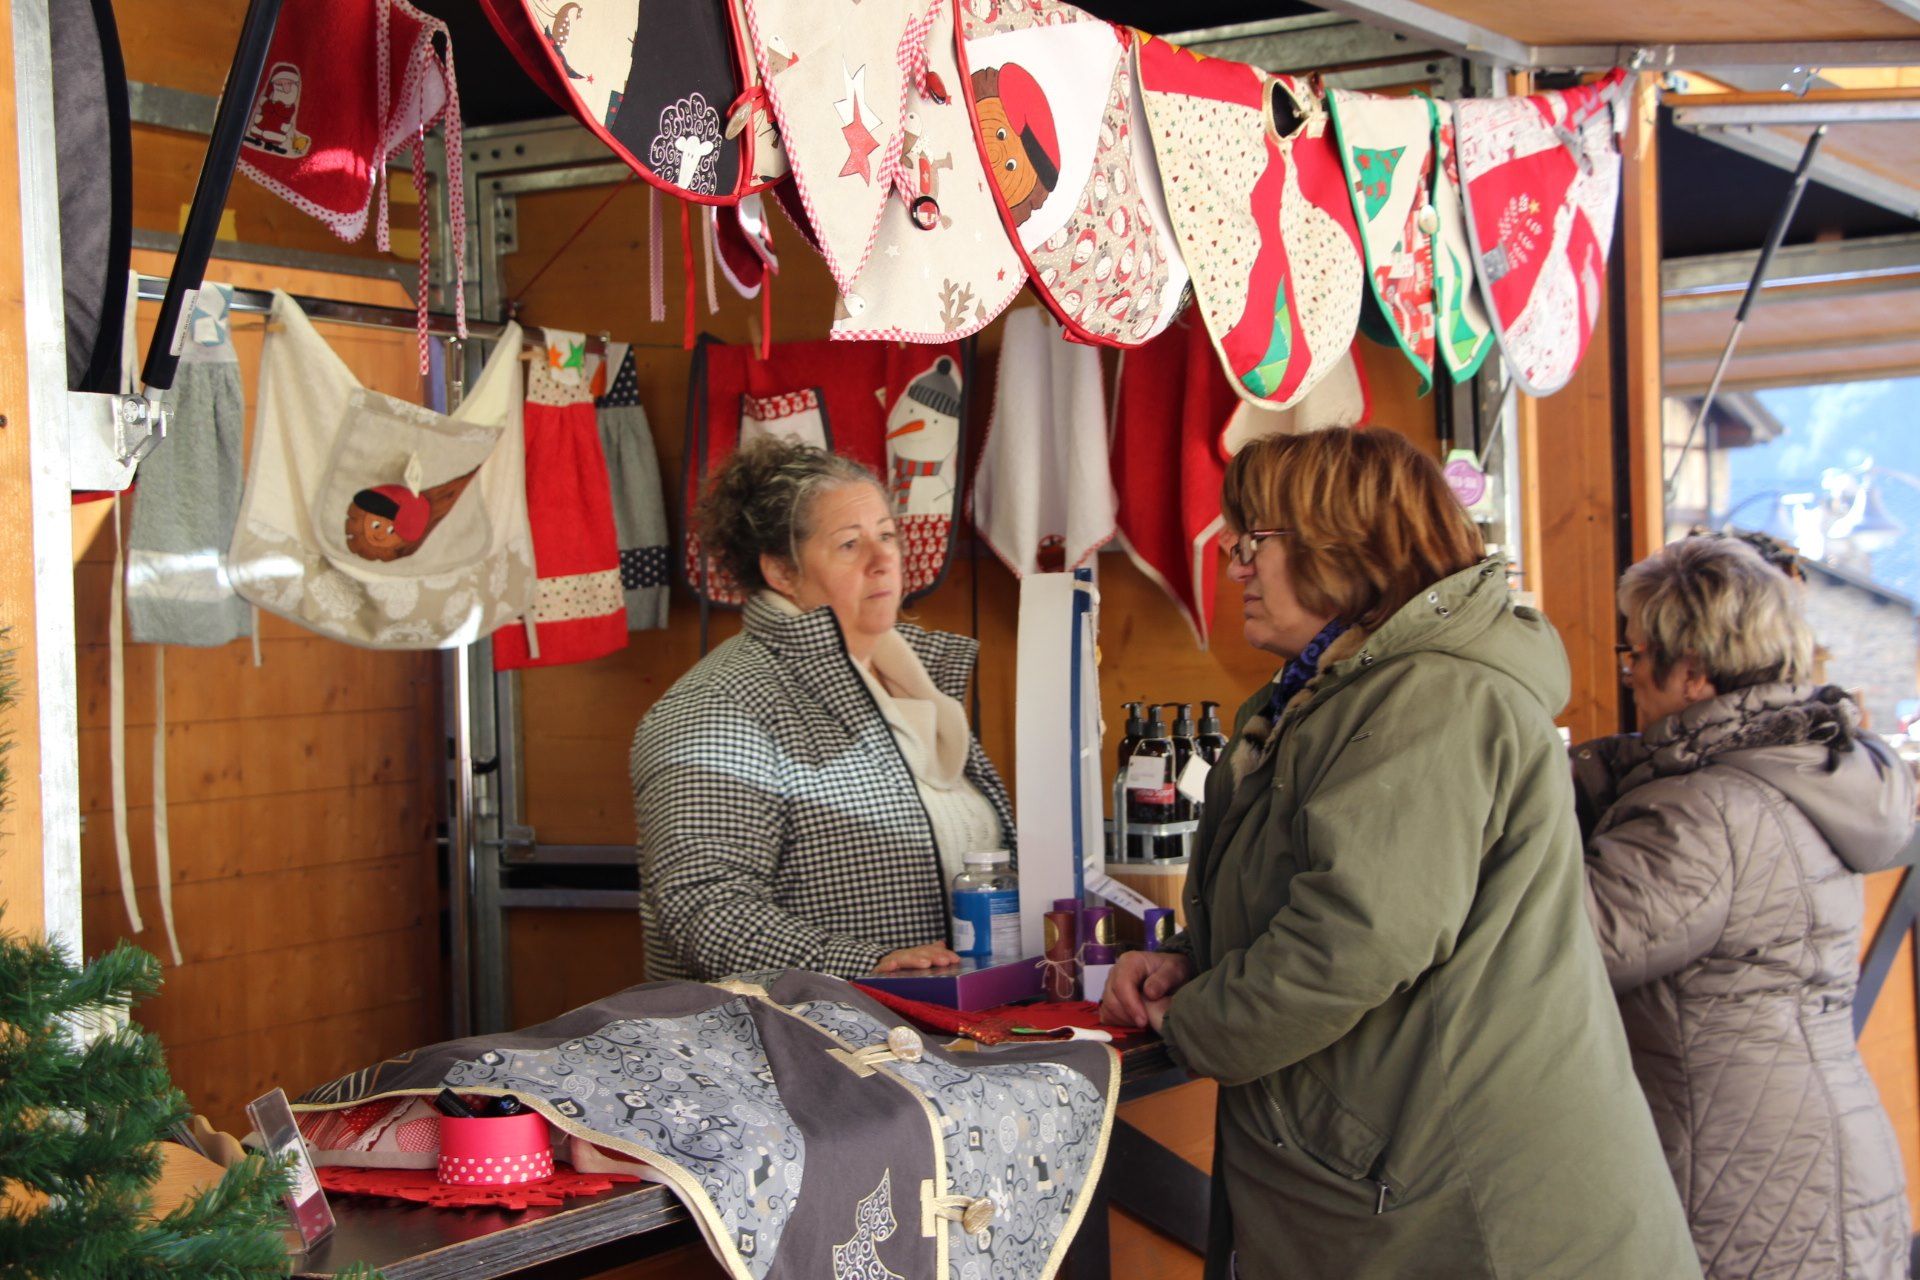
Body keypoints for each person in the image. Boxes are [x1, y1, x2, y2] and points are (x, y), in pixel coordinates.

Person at [1099, 428, 1700, 1280]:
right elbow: (1315, 893)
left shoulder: (1431, 697)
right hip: (1409, 1183)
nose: (1234, 567)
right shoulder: (1339, 695)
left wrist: (1198, 1022)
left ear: (1345, 549)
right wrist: (1189, 962)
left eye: (1252, 543)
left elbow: (1357, 935)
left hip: (1473, 1209)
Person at [1577, 536, 1915, 1280]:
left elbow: (1564, 946)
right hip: (1811, 1160)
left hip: (1743, 1185)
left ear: (1692, 672)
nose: (1628, 673)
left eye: (1634, 653)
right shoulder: (1804, 766)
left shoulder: (1705, 813)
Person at [631, 438, 1013, 981]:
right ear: (781, 573)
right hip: (784, 1046)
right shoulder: (716, 707)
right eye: (850, 545)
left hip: (926, 1032)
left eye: (886, 536)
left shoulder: (910, 682)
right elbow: (703, 907)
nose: (884, 561)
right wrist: (866, 964)